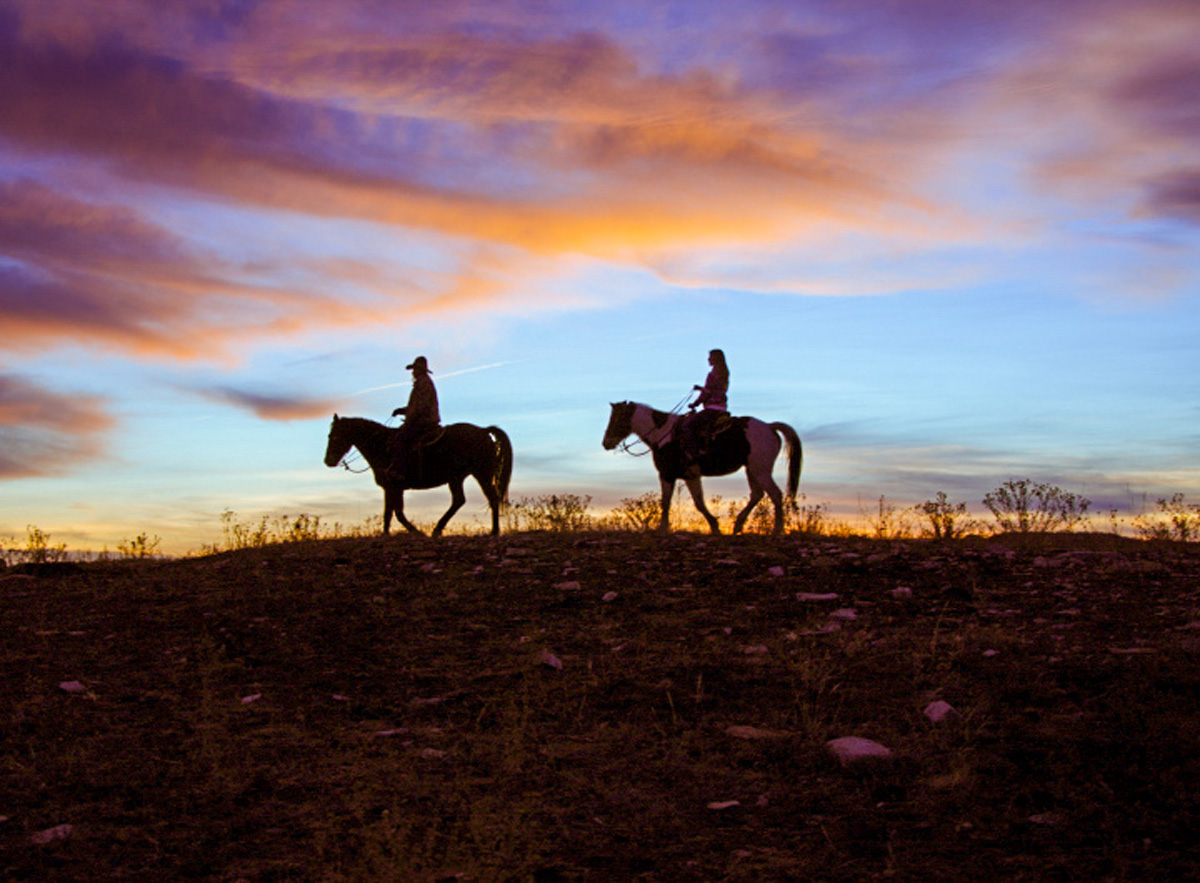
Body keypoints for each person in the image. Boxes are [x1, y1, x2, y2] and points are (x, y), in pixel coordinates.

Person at [389, 355, 441, 482]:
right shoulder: (421, 383)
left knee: (400, 439)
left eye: (415, 369)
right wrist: (403, 411)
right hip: (421, 419)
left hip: (425, 421)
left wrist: (410, 417)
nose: (413, 372)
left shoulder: (423, 383)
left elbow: (421, 406)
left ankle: (400, 471)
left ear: (420, 370)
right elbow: (415, 406)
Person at [679, 349, 729, 466]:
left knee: (687, 425)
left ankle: (694, 454)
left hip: (712, 407)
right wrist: (701, 388)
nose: (708, 359)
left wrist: (695, 403)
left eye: (710, 357)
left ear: (715, 359)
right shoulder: (724, 372)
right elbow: (715, 389)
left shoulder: (712, 373)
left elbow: (708, 392)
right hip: (722, 406)